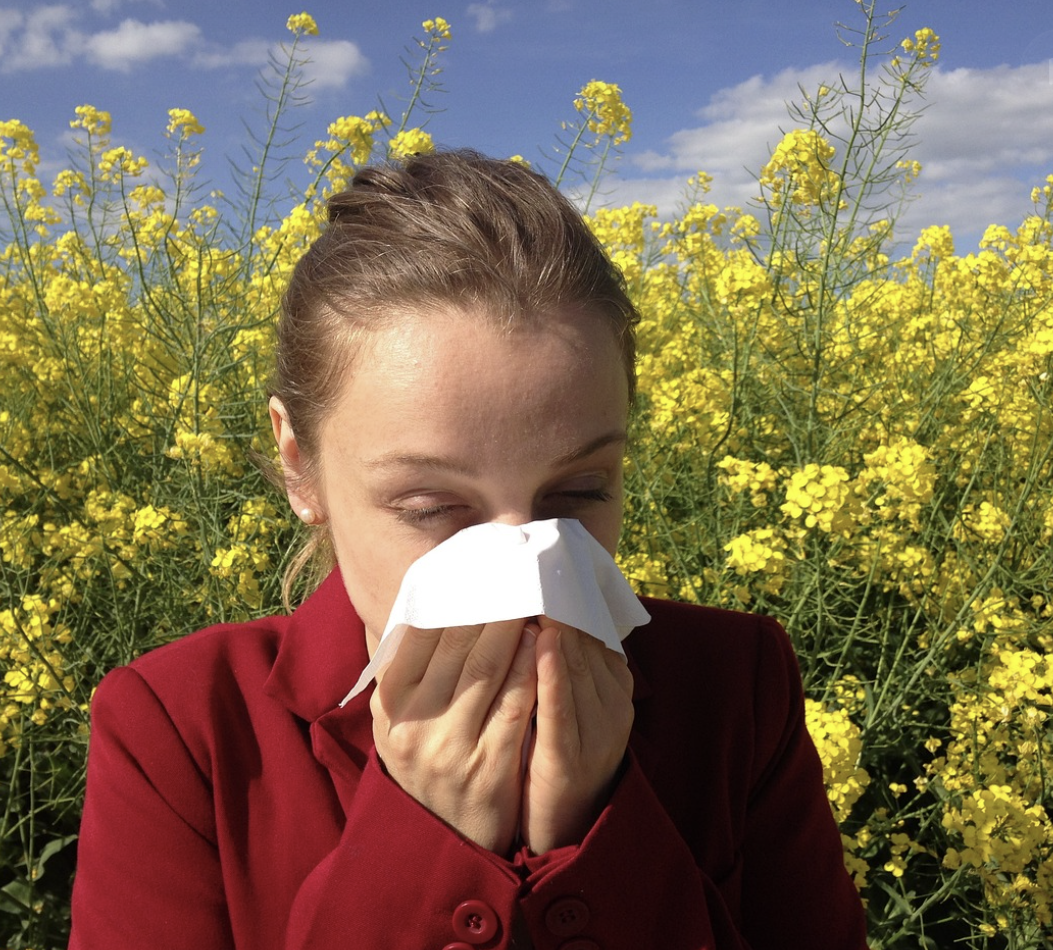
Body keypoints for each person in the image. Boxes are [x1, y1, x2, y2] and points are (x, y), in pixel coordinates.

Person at [68, 149, 869, 949]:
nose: (523, 573)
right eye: (432, 507)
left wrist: (593, 832)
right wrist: (424, 840)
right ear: (299, 466)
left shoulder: (733, 689)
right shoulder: (184, 731)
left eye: (578, 493)